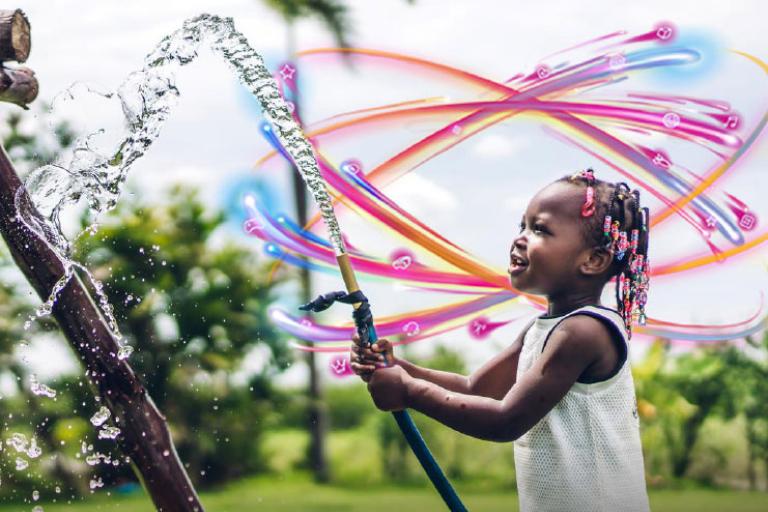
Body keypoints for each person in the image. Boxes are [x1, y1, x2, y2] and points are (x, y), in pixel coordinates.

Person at [350, 169, 651, 512]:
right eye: (522, 226)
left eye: (540, 230)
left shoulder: (583, 332)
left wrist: (409, 391)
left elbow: (506, 419)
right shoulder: (545, 329)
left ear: (593, 260)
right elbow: (476, 389)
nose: (520, 239)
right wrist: (399, 368)